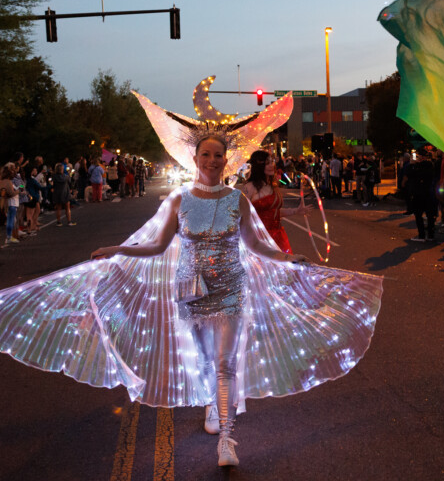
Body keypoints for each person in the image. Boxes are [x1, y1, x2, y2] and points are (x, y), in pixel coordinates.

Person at [0, 132, 382, 470]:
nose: (213, 161)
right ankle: (214, 406)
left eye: (219, 155)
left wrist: (285, 258)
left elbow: (253, 244)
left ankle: (226, 440)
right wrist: (118, 250)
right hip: (191, 290)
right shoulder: (179, 200)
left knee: (224, 363)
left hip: (231, 286)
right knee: (204, 358)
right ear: (196, 160)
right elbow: (157, 245)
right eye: (206, 156)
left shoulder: (237, 200)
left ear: (225, 160)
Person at [241, 150, 311, 254]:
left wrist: (295, 211)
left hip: (278, 236)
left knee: (285, 268)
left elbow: (274, 212)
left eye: (272, 162)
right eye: (267, 163)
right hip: (259, 239)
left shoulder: (273, 185)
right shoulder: (249, 188)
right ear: (258, 166)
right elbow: (241, 217)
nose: (271, 165)